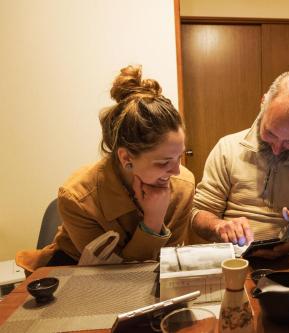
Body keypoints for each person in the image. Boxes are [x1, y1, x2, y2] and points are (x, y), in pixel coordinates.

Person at [16, 65, 196, 272]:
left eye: (179, 156)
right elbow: (113, 277)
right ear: (126, 158)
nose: (175, 170)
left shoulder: (183, 185)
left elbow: (168, 264)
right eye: (163, 162)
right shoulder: (77, 196)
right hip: (78, 272)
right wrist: (153, 221)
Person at [192, 71, 289, 258]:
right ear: (263, 103)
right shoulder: (227, 149)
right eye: (270, 133)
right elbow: (198, 215)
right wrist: (218, 226)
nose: (277, 149)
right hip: (233, 262)